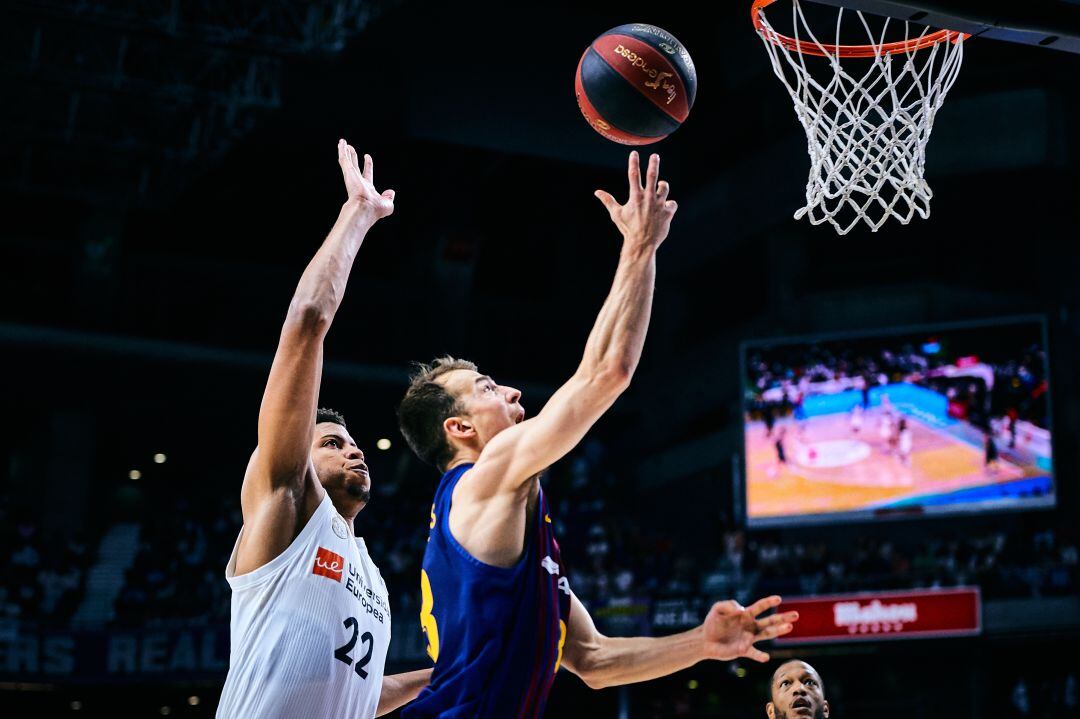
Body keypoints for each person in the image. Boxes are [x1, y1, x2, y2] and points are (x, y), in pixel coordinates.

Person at [397, 152, 798, 718]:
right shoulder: (483, 478)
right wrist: (640, 248)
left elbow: (593, 660)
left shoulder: (513, 514)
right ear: (458, 429)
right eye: (487, 388)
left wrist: (702, 645)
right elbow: (605, 374)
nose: (511, 392)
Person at [216, 141, 429, 718]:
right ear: (299, 461)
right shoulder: (284, 511)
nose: (355, 451)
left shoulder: (373, 580)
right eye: (333, 443)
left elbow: (362, 695)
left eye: (355, 443)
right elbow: (307, 325)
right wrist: (356, 216)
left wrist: (452, 671)